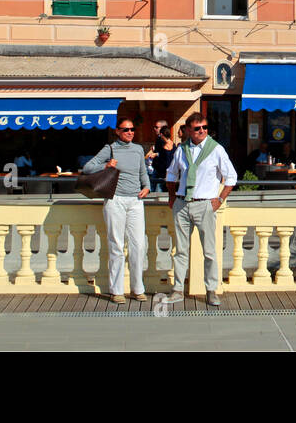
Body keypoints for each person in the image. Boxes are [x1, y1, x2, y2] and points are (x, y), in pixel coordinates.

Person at [164, 112, 237, 307]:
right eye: (197, 128)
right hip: (182, 203)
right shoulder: (181, 150)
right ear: (189, 130)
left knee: (210, 251)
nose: (202, 131)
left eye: (205, 127)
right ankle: (178, 289)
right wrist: (172, 196)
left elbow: (231, 177)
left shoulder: (216, 149)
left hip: (205, 203)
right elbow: (171, 174)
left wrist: (220, 199)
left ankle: (211, 290)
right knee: (180, 251)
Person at [82, 120, 151, 303]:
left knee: (139, 245)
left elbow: (142, 172)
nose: (130, 132)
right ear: (117, 132)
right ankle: (116, 290)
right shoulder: (110, 148)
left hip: (136, 200)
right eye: (125, 129)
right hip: (115, 200)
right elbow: (87, 167)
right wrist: (105, 165)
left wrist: (147, 186)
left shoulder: (137, 149)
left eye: (132, 129)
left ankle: (137, 289)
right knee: (117, 245)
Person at [147, 120, 174, 192]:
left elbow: (166, 155)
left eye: (157, 127)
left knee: (158, 190)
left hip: (162, 172)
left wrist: (156, 154)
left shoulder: (167, 142)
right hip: (157, 168)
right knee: (152, 188)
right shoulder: (159, 139)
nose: (155, 129)